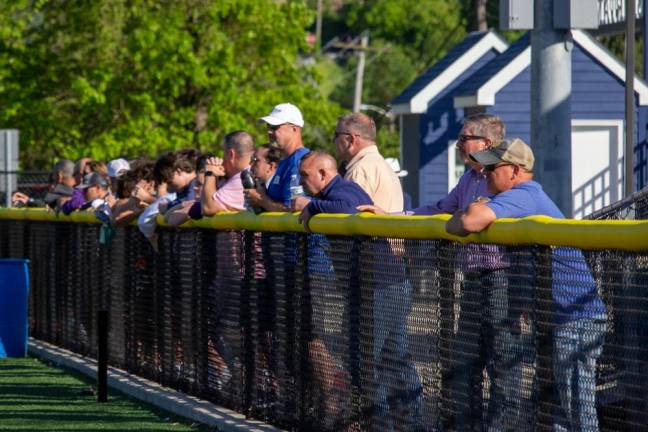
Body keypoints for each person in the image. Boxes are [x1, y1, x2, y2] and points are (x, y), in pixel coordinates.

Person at [447, 138, 607, 432]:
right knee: (553, 409)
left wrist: (469, 209)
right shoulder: (515, 196)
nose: (485, 173)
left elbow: (468, 223)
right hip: (557, 319)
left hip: (574, 319)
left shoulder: (524, 195)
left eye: (493, 167)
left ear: (515, 171)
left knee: (577, 411)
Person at [245, 103, 310, 211]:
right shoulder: (286, 160)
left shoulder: (300, 161)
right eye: (268, 126)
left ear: (294, 129)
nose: (269, 131)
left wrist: (261, 200)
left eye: (275, 127)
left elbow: (293, 209)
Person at [333, 113, 403, 212]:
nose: (333, 140)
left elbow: (348, 212)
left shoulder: (360, 169)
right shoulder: (382, 165)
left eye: (336, 135)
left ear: (351, 139)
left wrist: (311, 206)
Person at [200, 131, 254, 216]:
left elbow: (208, 208)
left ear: (231, 154)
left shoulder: (243, 177)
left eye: (223, 153)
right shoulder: (255, 169)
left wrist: (210, 173)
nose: (222, 158)